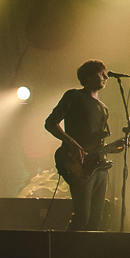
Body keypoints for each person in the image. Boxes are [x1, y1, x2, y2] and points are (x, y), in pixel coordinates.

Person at [45, 59, 114, 231]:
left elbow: (99, 140)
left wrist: (116, 147)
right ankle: (65, 251)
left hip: (99, 167)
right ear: (89, 76)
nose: (106, 76)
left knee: (96, 221)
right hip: (77, 162)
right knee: (82, 217)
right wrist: (72, 143)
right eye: (101, 73)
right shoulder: (74, 96)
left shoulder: (103, 108)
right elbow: (50, 123)